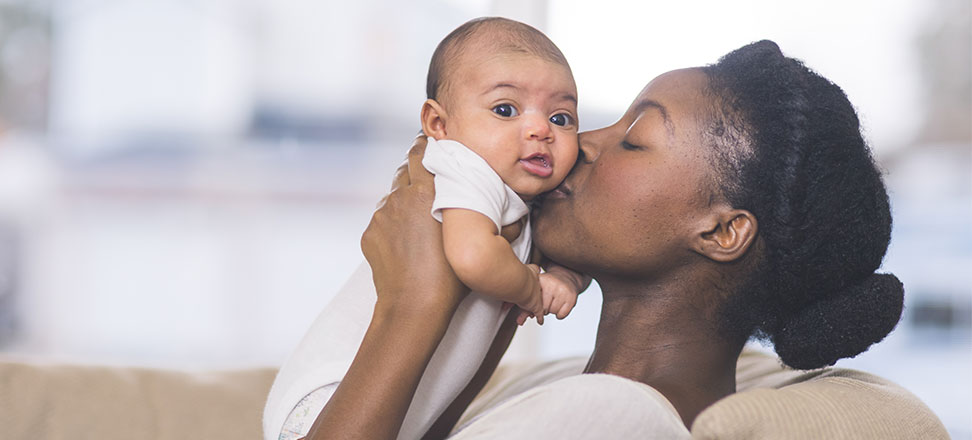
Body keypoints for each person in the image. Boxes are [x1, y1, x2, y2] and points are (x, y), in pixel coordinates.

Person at [295, 39, 908, 439]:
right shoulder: (576, 390)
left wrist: (411, 307)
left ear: (722, 231)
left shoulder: (613, 419)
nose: (582, 142)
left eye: (634, 139)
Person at [263, 17, 590, 440]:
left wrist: (565, 277)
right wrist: (533, 288)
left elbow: (569, 252)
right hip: (327, 399)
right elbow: (474, 257)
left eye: (562, 118)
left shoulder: (524, 198)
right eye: (505, 110)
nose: (540, 129)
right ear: (439, 125)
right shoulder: (463, 168)